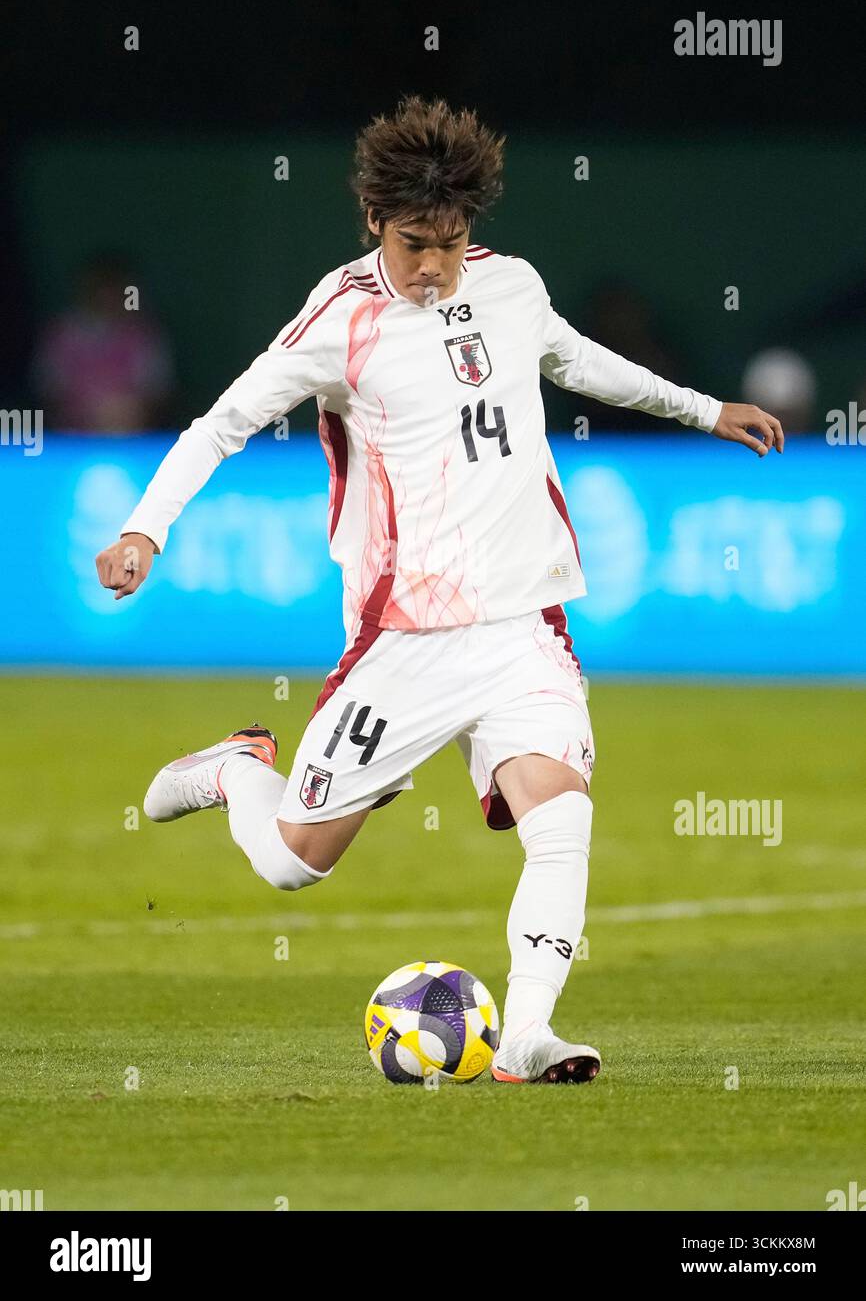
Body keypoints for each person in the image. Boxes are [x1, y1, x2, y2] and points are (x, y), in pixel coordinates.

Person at [95, 97, 784, 1085]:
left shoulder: (511, 289)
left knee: (561, 818)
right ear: (373, 218)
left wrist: (701, 408)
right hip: (403, 639)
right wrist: (142, 527)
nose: (433, 265)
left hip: (520, 622)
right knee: (294, 860)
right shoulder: (338, 322)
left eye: (451, 243)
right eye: (415, 243)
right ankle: (236, 768)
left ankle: (529, 1034)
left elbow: (577, 361)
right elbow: (221, 423)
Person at [33, 253, 174, 431]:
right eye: (100, 287)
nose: (108, 295)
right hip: (72, 438)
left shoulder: (143, 333)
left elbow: (157, 392)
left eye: (115, 287)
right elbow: (49, 392)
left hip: (132, 438)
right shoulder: (61, 333)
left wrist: (122, 413)